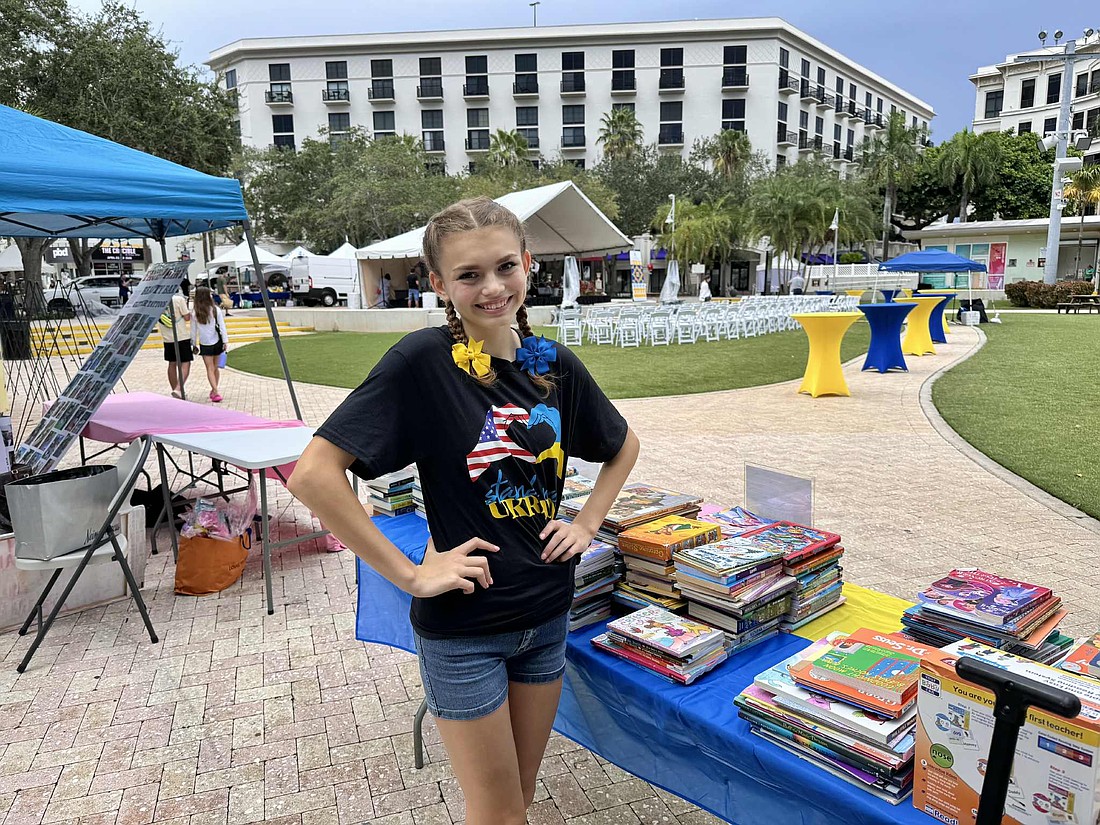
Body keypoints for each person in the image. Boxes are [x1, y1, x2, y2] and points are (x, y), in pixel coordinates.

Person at [288, 197, 640, 825]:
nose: (493, 287)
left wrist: (587, 523)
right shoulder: (422, 361)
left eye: (505, 266)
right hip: (465, 631)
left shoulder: (550, 364)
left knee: (520, 797)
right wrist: (411, 575)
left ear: (528, 265)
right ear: (439, 284)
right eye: (469, 275)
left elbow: (622, 445)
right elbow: (314, 475)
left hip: (546, 613)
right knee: (498, 810)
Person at [190, 286, 229, 403]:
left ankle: (215, 390)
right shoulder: (215, 310)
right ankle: (215, 390)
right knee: (215, 368)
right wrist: (225, 341)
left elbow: (193, 331)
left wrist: (193, 343)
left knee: (210, 368)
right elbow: (222, 327)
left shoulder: (195, 312)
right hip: (217, 341)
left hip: (204, 343)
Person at [158, 282, 192, 399]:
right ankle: (179, 389)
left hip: (167, 338)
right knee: (185, 362)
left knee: (171, 363)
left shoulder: (158, 302)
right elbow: (187, 317)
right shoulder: (178, 299)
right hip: (181, 335)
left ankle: (175, 389)